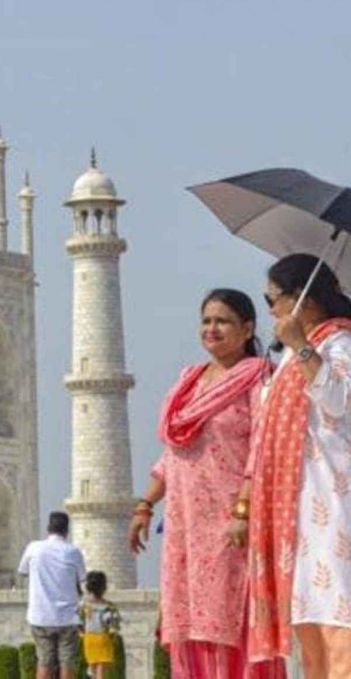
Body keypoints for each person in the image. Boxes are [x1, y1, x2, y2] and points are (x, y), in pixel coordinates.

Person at [129, 288, 281, 679]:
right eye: (207, 321)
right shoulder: (189, 382)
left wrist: (244, 512)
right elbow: (174, 452)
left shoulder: (258, 379)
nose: (212, 329)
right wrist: (146, 504)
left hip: (231, 523)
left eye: (223, 321)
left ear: (247, 328)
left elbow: (263, 449)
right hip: (185, 526)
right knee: (190, 626)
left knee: (232, 620)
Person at [246, 254, 351, 679]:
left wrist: (302, 346)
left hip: (335, 498)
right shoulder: (292, 357)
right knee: (310, 620)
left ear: (304, 300)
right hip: (297, 507)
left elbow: (339, 399)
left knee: (339, 617)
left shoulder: (339, 343)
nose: (270, 310)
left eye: (273, 299)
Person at [17, 512, 87, 679]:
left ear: (48, 528)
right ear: (66, 530)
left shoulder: (34, 547)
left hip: (40, 615)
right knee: (67, 663)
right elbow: (82, 578)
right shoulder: (73, 552)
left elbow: (23, 571)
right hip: (67, 617)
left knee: (44, 662)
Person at [79, 572, 122, 679]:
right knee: (101, 671)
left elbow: (78, 622)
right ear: (104, 588)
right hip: (103, 638)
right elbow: (114, 625)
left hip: (89, 638)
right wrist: (112, 636)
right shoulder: (109, 606)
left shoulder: (84, 605)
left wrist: (82, 634)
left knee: (93, 669)